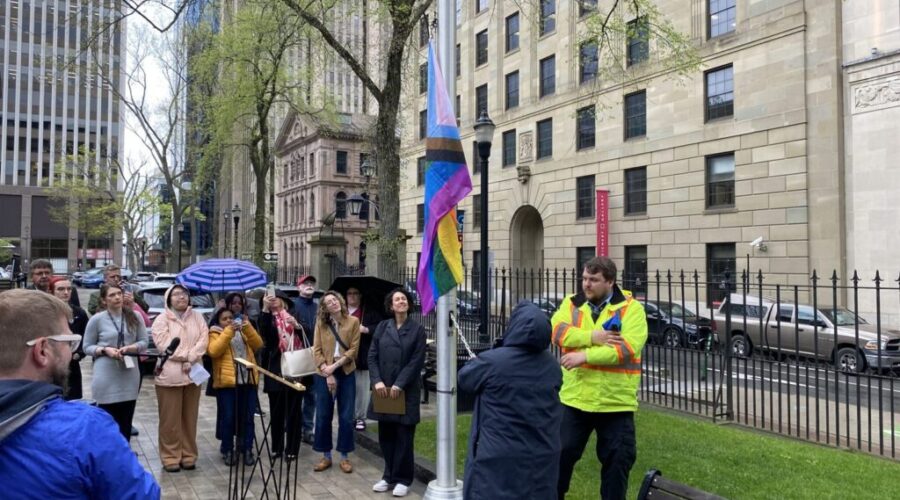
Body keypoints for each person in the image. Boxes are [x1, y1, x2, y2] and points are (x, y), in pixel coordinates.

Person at [0, 290, 160, 499]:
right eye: (68, 342)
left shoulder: (134, 317)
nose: (70, 351)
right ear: (42, 350)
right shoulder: (84, 429)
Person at [552, 256, 648, 500]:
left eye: (593, 280)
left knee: (617, 465)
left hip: (615, 403)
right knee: (558, 459)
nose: (586, 284)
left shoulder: (631, 309)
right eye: (584, 278)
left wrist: (583, 355)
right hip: (575, 400)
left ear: (610, 282)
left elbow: (624, 349)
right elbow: (556, 332)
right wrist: (594, 337)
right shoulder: (571, 304)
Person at [458, 301, 563, 500]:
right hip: (542, 453)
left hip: (498, 456)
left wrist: (483, 360)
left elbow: (466, 379)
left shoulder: (492, 361)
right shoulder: (551, 365)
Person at [367, 288, 426, 497]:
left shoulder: (418, 330)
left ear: (408, 304)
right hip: (383, 390)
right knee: (386, 435)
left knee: (404, 436)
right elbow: (372, 356)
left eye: (404, 299)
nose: (401, 302)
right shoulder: (383, 327)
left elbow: (416, 361)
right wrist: (377, 381)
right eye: (396, 300)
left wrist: (400, 384)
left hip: (405, 390)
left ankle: (403, 479)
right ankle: (388, 476)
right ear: (390, 306)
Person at [151, 284, 209, 472]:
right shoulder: (161, 320)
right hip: (170, 375)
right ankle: (170, 456)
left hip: (193, 374)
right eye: (176, 294)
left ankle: (188, 455)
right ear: (169, 299)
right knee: (170, 420)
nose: (181, 297)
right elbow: (164, 345)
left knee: (190, 418)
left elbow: (204, 339)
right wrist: (186, 356)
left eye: (184, 294)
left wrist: (192, 357)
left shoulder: (198, 317)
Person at [82, 283, 150, 441]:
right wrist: (105, 350)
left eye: (119, 293)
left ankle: (124, 454)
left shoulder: (135, 316)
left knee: (125, 420)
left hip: (129, 372)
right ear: (104, 300)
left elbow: (144, 342)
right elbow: (86, 347)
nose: (117, 297)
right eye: (112, 295)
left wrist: (131, 347)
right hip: (106, 373)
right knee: (107, 421)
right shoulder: (97, 319)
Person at [208, 306, 264, 466]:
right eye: (224, 319)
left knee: (248, 418)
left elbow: (258, 344)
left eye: (230, 318)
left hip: (248, 380)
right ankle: (227, 449)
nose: (228, 321)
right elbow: (214, 351)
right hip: (227, 383)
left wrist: (247, 327)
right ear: (218, 322)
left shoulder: (243, 331)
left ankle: (247, 449)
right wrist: (228, 331)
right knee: (229, 417)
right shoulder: (214, 333)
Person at [311, 291, 360, 473]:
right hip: (324, 372)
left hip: (346, 371)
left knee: (346, 416)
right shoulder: (321, 324)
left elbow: (353, 350)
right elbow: (316, 350)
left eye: (335, 300)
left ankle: (345, 456)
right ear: (324, 308)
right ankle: (326, 456)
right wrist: (328, 372)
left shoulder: (353, 322)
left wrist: (335, 367)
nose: (333, 303)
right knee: (324, 415)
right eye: (329, 302)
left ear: (340, 301)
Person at [259, 290, 308, 461]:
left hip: (296, 369)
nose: (272, 301)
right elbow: (264, 334)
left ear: (284, 301)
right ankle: (277, 447)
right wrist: (265, 309)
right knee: (277, 411)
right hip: (276, 368)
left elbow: (307, 336)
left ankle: (292, 448)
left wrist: (297, 326)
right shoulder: (267, 318)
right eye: (268, 299)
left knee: (294, 412)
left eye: (275, 298)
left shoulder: (293, 316)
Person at [345, 285, 383, 431]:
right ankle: (348, 415)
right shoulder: (342, 312)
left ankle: (360, 417)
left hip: (363, 356)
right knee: (347, 389)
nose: (352, 296)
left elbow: (380, 327)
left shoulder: (369, 312)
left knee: (361, 389)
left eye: (356, 293)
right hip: (344, 357)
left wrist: (366, 329)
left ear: (360, 296)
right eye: (349, 293)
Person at [50, 276, 89, 400]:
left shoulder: (79, 313)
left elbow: (86, 338)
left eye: (69, 289)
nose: (66, 293)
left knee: (72, 400)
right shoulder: (44, 313)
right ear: (51, 291)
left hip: (72, 366)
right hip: (50, 366)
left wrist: (79, 354)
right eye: (61, 289)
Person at [292, 274, 318, 444]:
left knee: (311, 395)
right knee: (295, 394)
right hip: (298, 355)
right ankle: (294, 426)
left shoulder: (318, 307)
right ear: (298, 287)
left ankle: (308, 429)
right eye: (305, 283)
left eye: (311, 283)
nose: (309, 285)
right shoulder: (292, 306)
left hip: (315, 355)